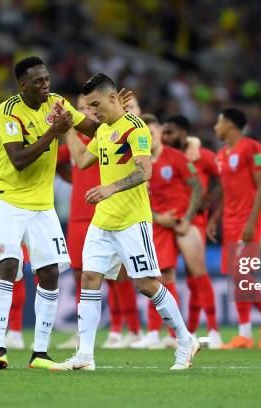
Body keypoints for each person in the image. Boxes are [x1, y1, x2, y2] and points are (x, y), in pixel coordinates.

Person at [50, 73, 199, 371]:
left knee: (145, 284)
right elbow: (80, 160)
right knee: (90, 280)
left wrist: (110, 188)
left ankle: (185, 339)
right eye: (89, 107)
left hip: (132, 221)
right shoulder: (104, 131)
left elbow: (145, 171)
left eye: (96, 105)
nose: (93, 112)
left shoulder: (136, 128)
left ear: (113, 98)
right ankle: (85, 355)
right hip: (103, 221)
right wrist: (67, 127)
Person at [0, 56, 98, 370]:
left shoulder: (58, 103)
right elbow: (19, 159)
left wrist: (118, 119)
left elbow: (90, 127)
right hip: (8, 198)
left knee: (49, 272)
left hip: (42, 204)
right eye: (38, 81)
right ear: (23, 85)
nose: (45, 85)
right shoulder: (8, 111)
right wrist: (55, 132)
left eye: (47, 79)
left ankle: (39, 353)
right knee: (8, 265)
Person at [56, 94, 143, 350]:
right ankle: (86, 334)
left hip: (103, 212)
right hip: (77, 214)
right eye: (81, 107)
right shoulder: (74, 143)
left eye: (89, 107)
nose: (86, 111)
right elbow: (58, 164)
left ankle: (126, 329)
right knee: (80, 273)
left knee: (117, 275)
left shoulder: (103, 136)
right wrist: (72, 181)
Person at [208, 107, 261, 349]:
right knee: (235, 277)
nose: (215, 127)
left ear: (228, 124)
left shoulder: (252, 148)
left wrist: (251, 221)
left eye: (218, 123)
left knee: (241, 274)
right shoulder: (220, 156)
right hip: (229, 220)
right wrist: (213, 218)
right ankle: (245, 335)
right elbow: (224, 192)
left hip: (249, 221)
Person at [160, 114, 221, 346]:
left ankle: (213, 330)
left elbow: (222, 180)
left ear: (184, 134)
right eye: (164, 132)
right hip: (167, 220)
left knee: (197, 277)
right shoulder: (164, 156)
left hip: (193, 220)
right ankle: (177, 333)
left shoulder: (202, 156)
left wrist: (211, 205)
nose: (166, 137)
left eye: (170, 132)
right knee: (164, 276)